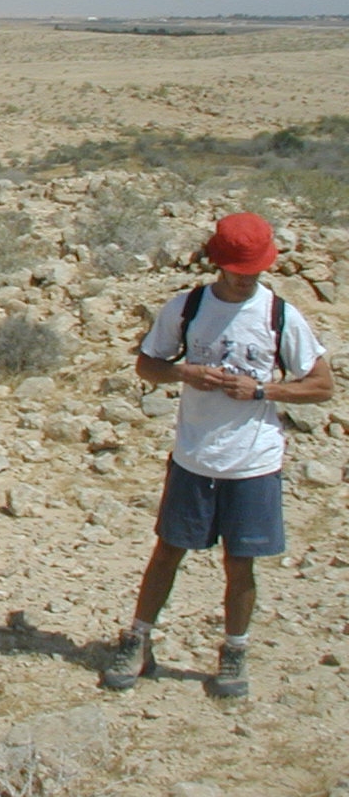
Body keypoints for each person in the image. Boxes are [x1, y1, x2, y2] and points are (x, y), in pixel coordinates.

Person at [101, 212, 334, 698]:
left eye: (253, 268)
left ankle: (234, 651)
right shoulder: (186, 308)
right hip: (193, 456)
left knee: (241, 562)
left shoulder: (281, 316)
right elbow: (148, 364)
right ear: (218, 263)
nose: (245, 277)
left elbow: (321, 386)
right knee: (168, 550)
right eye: (236, 267)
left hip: (254, 463)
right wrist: (186, 374)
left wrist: (262, 391)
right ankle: (138, 639)